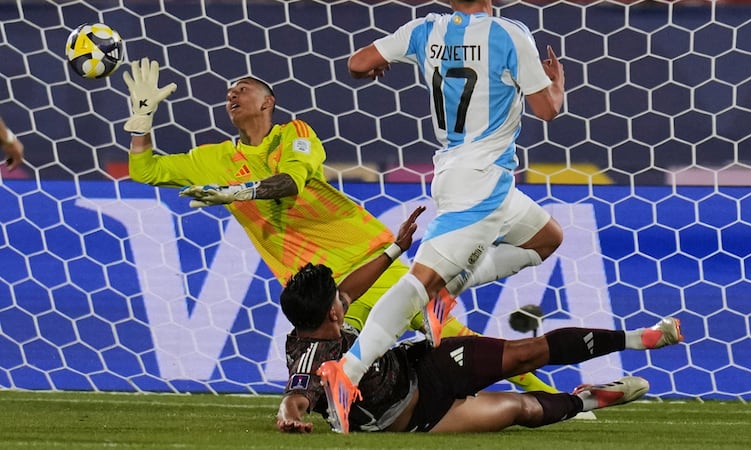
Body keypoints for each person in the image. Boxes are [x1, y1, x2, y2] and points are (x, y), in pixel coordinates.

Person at [120, 58, 557, 393]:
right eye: (229, 92)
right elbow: (145, 170)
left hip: (371, 262)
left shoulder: (295, 134)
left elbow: (290, 182)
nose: (232, 94)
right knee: (329, 371)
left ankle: (552, 397)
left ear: (268, 102)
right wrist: (141, 120)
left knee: (455, 341)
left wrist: (239, 192)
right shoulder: (215, 159)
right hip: (318, 288)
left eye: (243, 89)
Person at [318, 0, 568, 432]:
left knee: (547, 238)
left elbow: (358, 63)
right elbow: (546, 110)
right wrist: (557, 87)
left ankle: (448, 289)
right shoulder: (510, 35)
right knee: (418, 283)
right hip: (480, 182)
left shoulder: (425, 30)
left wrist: (377, 68)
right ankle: (347, 373)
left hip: (466, 174)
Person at [275, 208, 684, 433]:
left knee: (526, 352)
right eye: (337, 298)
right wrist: (290, 417)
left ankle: (638, 338)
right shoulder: (312, 357)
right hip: (417, 418)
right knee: (522, 409)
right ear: (331, 312)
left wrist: (396, 248)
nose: (344, 296)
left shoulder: (321, 317)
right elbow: (296, 397)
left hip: (424, 364)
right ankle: (588, 398)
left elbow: (350, 289)